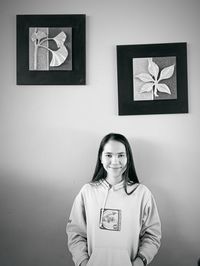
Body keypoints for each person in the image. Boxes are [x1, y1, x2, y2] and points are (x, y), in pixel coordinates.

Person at [66, 133, 161, 266]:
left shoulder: (142, 194)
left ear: (128, 158)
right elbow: (75, 233)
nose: (115, 161)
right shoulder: (87, 192)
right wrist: (83, 262)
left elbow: (153, 235)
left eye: (121, 155)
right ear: (101, 157)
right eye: (109, 155)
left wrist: (140, 261)